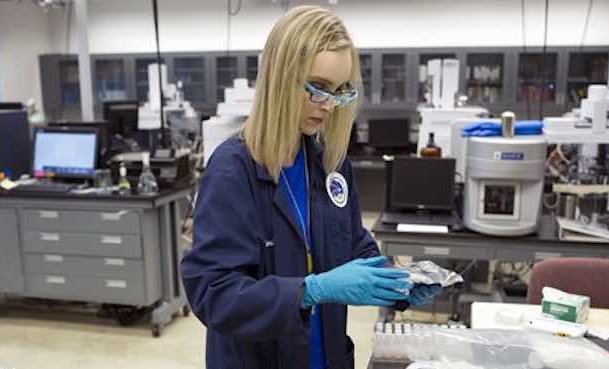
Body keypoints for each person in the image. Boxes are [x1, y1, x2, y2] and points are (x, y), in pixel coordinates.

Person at [181, 6, 441, 369]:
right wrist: (311, 290)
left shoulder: (328, 163)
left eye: (339, 91)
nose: (329, 105)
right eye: (317, 88)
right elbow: (214, 294)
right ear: (280, 77)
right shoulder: (232, 171)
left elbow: (351, 242)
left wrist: (396, 282)